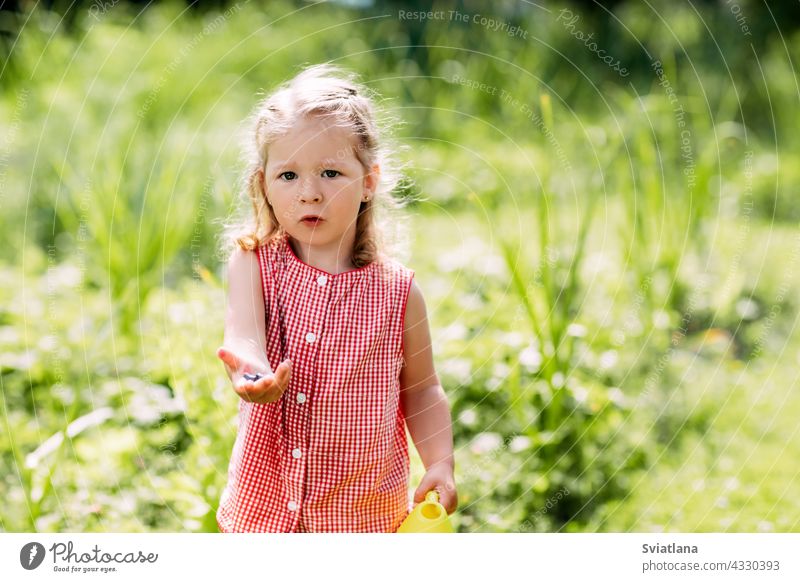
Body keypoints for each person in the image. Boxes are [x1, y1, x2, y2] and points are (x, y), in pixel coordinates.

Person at [214, 64, 457, 533]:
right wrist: (253, 372)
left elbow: (423, 389)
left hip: (362, 517)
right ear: (263, 182)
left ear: (369, 181)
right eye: (288, 175)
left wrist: (440, 462)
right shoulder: (254, 264)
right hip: (263, 509)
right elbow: (242, 336)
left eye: (330, 172)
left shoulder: (399, 291)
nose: (309, 193)